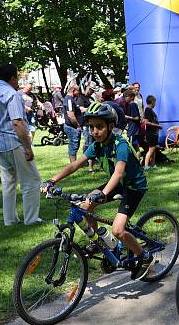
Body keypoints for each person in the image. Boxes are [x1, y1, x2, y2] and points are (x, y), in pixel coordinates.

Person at [42, 103, 155, 280]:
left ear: (111, 126)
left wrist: (103, 193)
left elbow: (118, 173)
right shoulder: (97, 145)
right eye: (91, 127)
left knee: (118, 230)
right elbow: (74, 165)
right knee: (85, 206)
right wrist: (52, 180)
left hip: (134, 186)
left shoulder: (121, 145)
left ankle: (145, 257)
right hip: (117, 184)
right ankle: (97, 241)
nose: (94, 131)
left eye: (99, 127)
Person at [0, 63, 42, 226]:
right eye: (18, 78)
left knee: (8, 183)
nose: (19, 82)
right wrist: (28, 147)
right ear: (13, 78)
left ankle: (9, 220)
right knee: (31, 180)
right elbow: (17, 122)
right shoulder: (11, 94)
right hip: (13, 142)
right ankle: (31, 219)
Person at [62, 84, 85, 164]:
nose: (78, 93)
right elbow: (71, 115)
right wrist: (77, 125)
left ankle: (74, 163)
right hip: (72, 127)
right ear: (73, 90)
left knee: (74, 145)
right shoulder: (69, 100)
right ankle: (73, 164)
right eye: (78, 91)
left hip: (73, 127)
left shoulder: (71, 99)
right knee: (73, 145)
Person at [142, 94, 161, 170]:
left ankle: (153, 164)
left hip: (154, 133)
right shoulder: (147, 110)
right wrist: (157, 126)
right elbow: (146, 122)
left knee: (154, 149)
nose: (155, 104)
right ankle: (146, 166)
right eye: (155, 102)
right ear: (152, 102)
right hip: (151, 133)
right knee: (151, 149)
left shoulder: (150, 110)